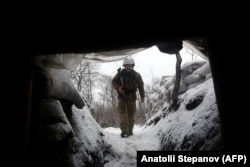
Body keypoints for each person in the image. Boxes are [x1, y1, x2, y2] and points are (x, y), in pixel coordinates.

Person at [112, 57, 145, 138]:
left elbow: (141, 85)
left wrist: (142, 96)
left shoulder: (137, 75)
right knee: (122, 114)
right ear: (124, 66)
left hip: (132, 97)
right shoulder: (120, 74)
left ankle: (130, 131)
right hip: (122, 97)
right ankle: (124, 131)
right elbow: (113, 82)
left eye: (130, 65)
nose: (128, 67)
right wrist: (118, 88)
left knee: (131, 115)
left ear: (132, 66)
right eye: (126, 65)